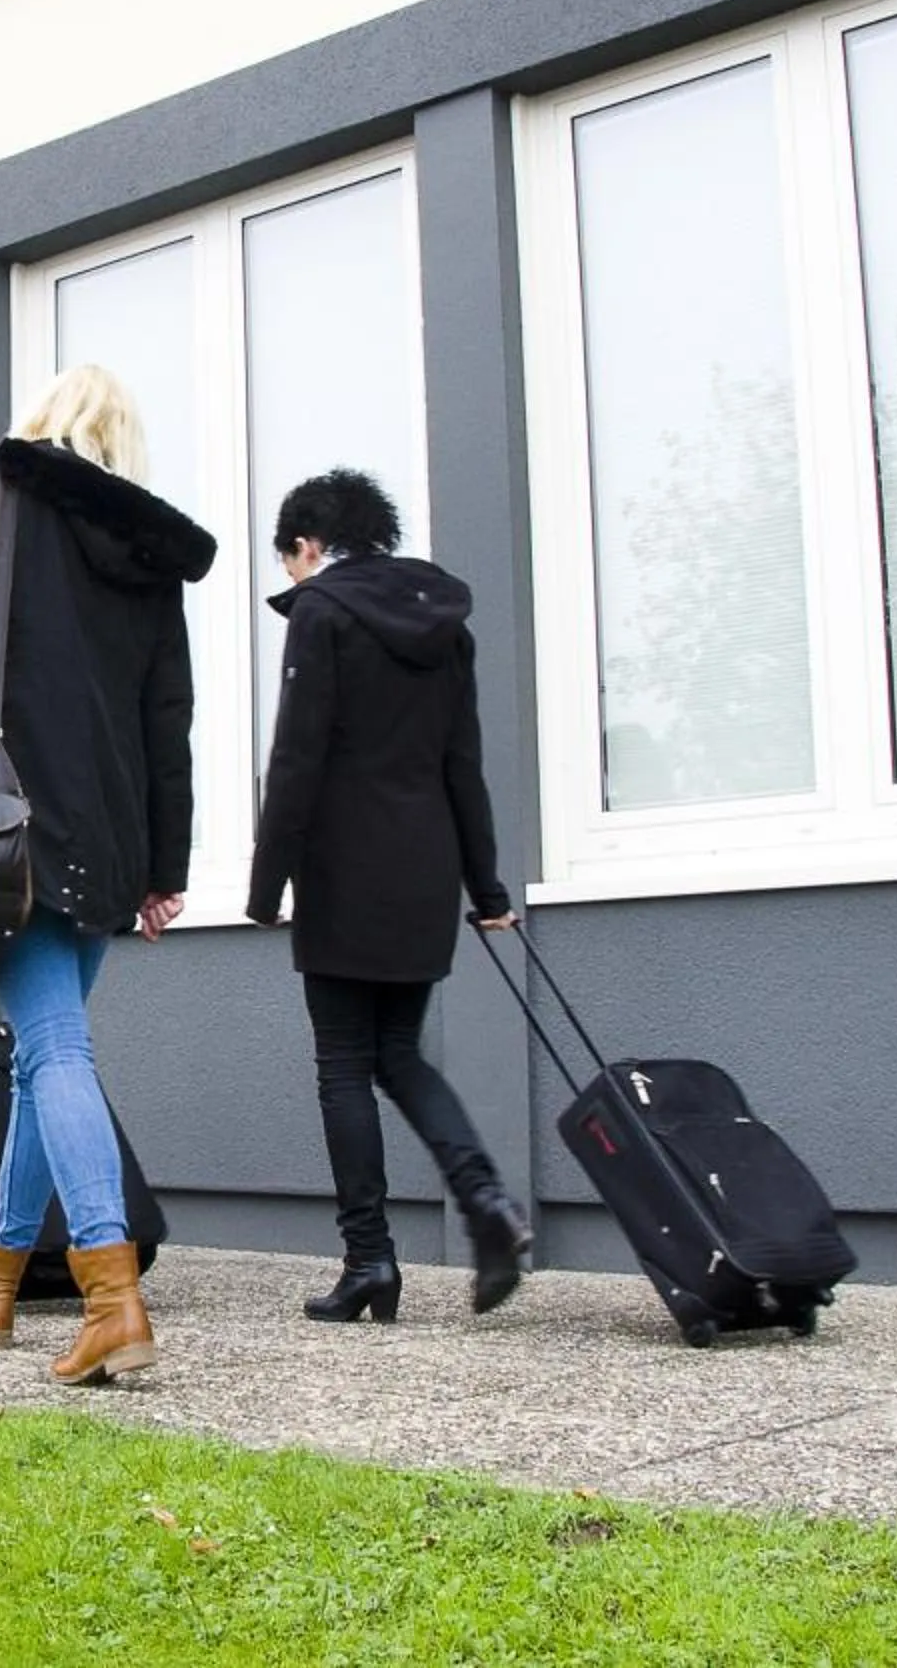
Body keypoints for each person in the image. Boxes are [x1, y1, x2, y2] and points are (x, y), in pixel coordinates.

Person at [0, 365, 214, 1386]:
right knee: (39, 1055)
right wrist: (167, 863)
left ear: (45, 422)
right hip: (110, 834)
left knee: (55, 1046)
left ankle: (114, 1297)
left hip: (6, 822)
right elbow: (171, 715)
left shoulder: (4, 490)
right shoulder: (150, 550)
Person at [245, 467, 533, 1325]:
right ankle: (483, 1199)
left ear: (307, 545)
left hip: (343, 866)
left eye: (289, 563)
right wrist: (485, 889)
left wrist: (266, 888)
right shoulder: (445, 625)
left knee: (344, 1065)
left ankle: (370, 1260)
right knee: (399, 1054)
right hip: (422, 869)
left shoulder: (324, 615)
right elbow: (462, 767)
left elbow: (296, 759)